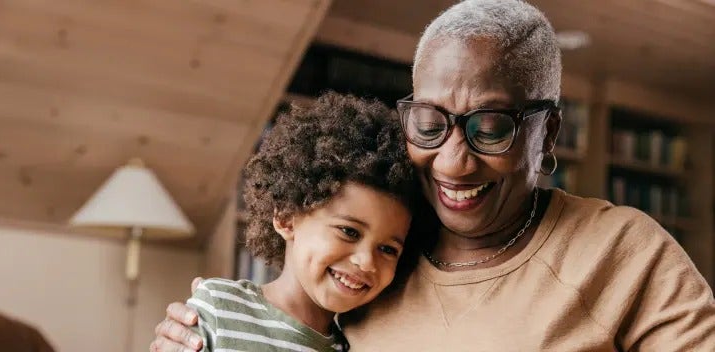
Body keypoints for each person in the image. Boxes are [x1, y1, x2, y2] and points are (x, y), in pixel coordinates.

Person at [151, 1, 715, 351]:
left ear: (549, 133)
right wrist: (200, 327)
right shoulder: (383, 255)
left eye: (490, 127)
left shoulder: (623, 251)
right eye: (430, 123)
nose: (453, 160)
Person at [181, 92, 420, 351]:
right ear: (286, 218)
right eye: (349, 232)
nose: (366, 261)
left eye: (388, 249)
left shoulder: (360, 346)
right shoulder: (220, 307)